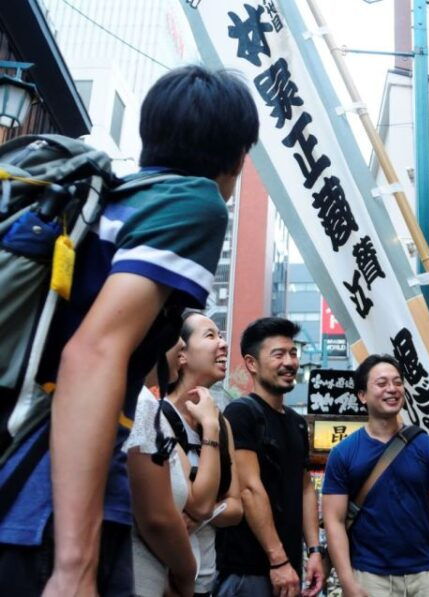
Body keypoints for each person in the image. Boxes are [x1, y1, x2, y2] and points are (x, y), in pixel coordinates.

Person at [0, 65, 259, 596]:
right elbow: (93, 353)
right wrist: (76, 565)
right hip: (46, 508)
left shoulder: (120, 200)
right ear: (237, 157)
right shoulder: (192, 201)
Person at [322, 355, 429, 597]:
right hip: (369, 576)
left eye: (397, 382)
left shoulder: (427, 447)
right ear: (362, 395)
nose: (392, 389)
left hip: (427, 575)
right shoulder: (342, 454)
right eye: (382, 383)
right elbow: (334, 521)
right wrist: (348, 582)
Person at [216, 317, 325, 597]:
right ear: (252, 364)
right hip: (249, 571)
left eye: (293, 353)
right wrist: (278, 559)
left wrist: (313, 551)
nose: (290, 362)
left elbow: (304, 488)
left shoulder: (297, 422)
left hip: (288, 568)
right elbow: (249, 489)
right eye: (278, 354)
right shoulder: (241, 413)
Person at [164, 311, 242, 596]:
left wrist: (201, 516)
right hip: (165, 583)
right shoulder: (160, 414)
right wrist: (206, 509)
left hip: (206, 583)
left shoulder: (222, 423)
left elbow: (235, 506)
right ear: (181, 354)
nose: (223, 344)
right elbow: (185, 505)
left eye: (221, 336)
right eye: (211, 336)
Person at [126, 336, 198, 597]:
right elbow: (156, 518)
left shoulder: (145, 402)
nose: (181, 344)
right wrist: (187, 575)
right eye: (171, 332)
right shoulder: (140, 402)